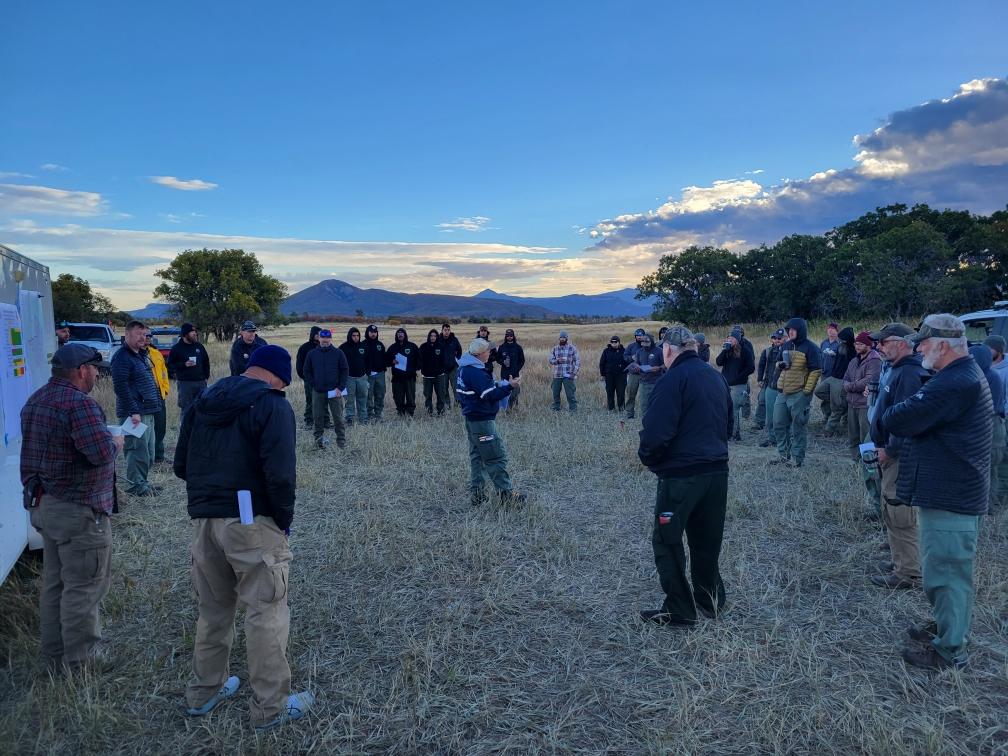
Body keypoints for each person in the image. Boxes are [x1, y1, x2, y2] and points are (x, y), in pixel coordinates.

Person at [174, 344, 314, 730]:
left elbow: (181, 465)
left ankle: (204, 692)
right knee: (266, 612)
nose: (284, 387)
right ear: (277, 376)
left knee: (213, 611)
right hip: (252, 524)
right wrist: (282, 522)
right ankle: (270, 709)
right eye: (285, 381)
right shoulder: (273, 405)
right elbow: (281, 475)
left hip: (204, 523)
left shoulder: (203, 401)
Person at [877, 314, 992, 671]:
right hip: (949, 491)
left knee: (947, 574)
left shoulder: (955, 382)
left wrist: (903, 409)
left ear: (943, 346)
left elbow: (898, 418)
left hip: (951, 495)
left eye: (924, 343)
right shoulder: (958, 376)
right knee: (943, 570)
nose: (919, 348)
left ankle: (949, 650)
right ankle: (946, 627)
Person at [21, 344, 122, 673]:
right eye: (94, 368)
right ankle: (80, 663)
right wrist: (115, 442)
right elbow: (100, 454)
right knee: (84, 586)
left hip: (44, 506)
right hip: (79, 510)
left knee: (55, 584)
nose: (96, 374)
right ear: (80, 370)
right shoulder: (79, 405)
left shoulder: (36, 399)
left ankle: (53, 658)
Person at [638, 325, 732, 626]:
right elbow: (728, 425)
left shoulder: (671, 380)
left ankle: (680, 608)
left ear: (667, 350)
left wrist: (651, 461)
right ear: (693, 347)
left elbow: (655, 433)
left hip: (680, 477)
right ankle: (711, 599)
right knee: (707, 540)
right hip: (717, 473)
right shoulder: (716, 377)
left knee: (667, 540)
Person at [867, 323, 929, 590]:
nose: (879, 347)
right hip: (889, 452)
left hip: (899, 456)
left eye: (884, 342)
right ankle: (899, 561)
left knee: (900, 511)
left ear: (904, 342)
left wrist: (890, 450)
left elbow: (907, 420)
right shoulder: (897, 370)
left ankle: (909, 573)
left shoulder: (911, 374)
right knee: (891, 508)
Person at [456, 338, 525, 506]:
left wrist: (500, 384)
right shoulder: (475, 372)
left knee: (477, 458)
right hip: (482, 422)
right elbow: (489, 395)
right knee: (496, 457)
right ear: (480, 354)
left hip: (472, 420)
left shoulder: (464, 368)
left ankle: (478, 495)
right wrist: (510, 387)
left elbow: (482, 389)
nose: (490, 354)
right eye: (488, 351)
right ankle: (506, 496)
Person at [111, 320, 163, 496]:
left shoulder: (140, 354)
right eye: (138, 334)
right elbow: (120, 387)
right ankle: (136, 487)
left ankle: (143, 483)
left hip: (147, 411)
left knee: (148, 451)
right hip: (134, 414)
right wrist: (133, 411)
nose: (143, 337)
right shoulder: (122, 357)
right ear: (127, 335)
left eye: (144, 334)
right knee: (136, 451)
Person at [770, 317, 822, 469]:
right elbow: (778, 363)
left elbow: (816, 370)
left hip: (799, 394)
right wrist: (781, 365)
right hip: (783, 392)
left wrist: (806, 391)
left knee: (798, 426)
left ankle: (797, 459)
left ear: (800, 330)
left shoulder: (810, 348)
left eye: (793, 329)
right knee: (778, 423)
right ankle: (783, 455)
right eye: (788, 330)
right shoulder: (786, 345)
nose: (790, 332)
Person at [969, 344, 1005, 514]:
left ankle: (990, 508)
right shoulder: (986, 375)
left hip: (991, 425)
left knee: (990, 470)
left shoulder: (988, 377)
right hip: (990, 424)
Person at [303, 329, 349, 449]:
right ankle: (319, 442)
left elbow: (345, 370)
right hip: (318, 391)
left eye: (327, 337)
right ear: (319, 339)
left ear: (330, 338)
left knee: (338, 418)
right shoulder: (312, 354)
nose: (325, 340)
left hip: (334, 391)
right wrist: (313, 383)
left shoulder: (338, 353)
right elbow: (306, 371)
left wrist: (340, 387)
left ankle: (341, 442)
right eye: (322, 338)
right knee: (317, 417)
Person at [842, 331, 882, 462]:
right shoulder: (854, 360)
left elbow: (870, 380)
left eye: (860, 344)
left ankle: (868, 463)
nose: (857, 346)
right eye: (856, 343)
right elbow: (845, 378)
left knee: (865, 436)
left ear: (869, 345)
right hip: (852, 403)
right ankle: (856, 460)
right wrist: (850, 386)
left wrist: (850, 386)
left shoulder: (875, 360)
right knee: (853, 435)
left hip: (865, 404)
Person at [715, 325, 755, 442]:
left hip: (738, 385)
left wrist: (738, 377)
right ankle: (733, 433)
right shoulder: (727, 351)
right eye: (728, 338)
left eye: (732, 339)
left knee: (735, 410)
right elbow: (718, 362)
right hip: (726, 384)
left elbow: (751, 367)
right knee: (727, 409)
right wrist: (724, 350)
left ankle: (733, 436)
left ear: (737, 340)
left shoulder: (745, 350)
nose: (729, 340)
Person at [983, 334, 1008, 508]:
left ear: (998, 351)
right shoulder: (985, 369)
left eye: (988, 348)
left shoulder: (1005, 371)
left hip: (1000, 421)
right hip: (988, 423)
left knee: (999, 467)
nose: (985, 351)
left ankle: (997, 506)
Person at [816, 326, 855, 435]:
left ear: (847, 340)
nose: (840, 341)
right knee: (818, 391)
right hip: (832, 377)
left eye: (842, 339)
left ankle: (829, 430)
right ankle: (843, 404)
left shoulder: (853, 350)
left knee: (836, 407)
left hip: (842, 380)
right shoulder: (840, 347)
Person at [168, 323, 211, 415]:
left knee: (202, 408)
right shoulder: (176, 348)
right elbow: (169, 365)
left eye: (195, 331)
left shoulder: (199, 346)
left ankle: (200, 429)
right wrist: (184, 365)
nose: (195, 333)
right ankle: (185, 429)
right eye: (192, 332)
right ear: (185, 334)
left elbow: (206, 362)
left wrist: (206, 377)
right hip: (185, 384)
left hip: (201, 383)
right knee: (187, 410)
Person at [145, 329, 170, 463]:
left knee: (160, 426)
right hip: (145, 397)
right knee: (147, 427)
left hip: (159, 394)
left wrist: (165, 388)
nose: (148, 338)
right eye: (145, 335)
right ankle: (148, 457)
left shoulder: (156, 353)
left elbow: (164, 372)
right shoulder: (136, 354)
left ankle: (159, 456)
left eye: (150, 336)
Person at [758, 329, 787, 448]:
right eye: (774, 338)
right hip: (770, 386)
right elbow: (761, 365)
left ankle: (783, 441)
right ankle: (772, 439)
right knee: (769, 417)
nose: (777, 340)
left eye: (779, 338)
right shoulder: (768, 351)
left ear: (785, 338)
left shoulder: (789, 351)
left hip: (783, 388)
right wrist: (760, 379)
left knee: (781, 417)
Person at [386, 327, 419, 416]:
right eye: (398, 333)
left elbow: (419, 359)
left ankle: (410, 413)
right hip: (397, 378)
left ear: (405, 335)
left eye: (402, 333)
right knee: (398, 396)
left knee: (410, 396)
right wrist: (391, 361)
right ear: (396, 335)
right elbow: (386, 361)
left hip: (409, 377)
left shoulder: (412, 346)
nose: (400, 335)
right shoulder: (392, 348)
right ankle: (401, 412)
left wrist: (413, 369)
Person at [339, 327, 369, 425]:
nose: (356, 337)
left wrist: (366, 374)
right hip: (349, 378)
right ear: (349, 336)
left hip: (362, 377)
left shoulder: (363, 346)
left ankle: (363, 418)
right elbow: (339, 363)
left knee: (363, 398)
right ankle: (350, 418)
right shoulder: (343, 348)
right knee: (349, 399)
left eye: (357, 336)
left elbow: (368, 361)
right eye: (353, 336)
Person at [628, 333, 664, 416]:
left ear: (652, 342)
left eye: (647, 343)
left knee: (657, 405)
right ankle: (646, 424)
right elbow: (636, 363)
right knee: (644, 406)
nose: (644, 345)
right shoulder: (639, 352)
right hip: (644, 383)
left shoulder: (659, 351)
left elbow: (665, 364)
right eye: (643, 343)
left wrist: (659, 367)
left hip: (657, 382)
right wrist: (636, 367)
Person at [294, 326, 321, 428]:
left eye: (320, 334)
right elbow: (299, 364)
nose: (319, 337)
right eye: (317, 334)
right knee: (310, 400)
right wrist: (304, 377)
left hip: (323, 379)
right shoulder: (304, 347)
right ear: (313, 335)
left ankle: (324, 420)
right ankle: (309, 420)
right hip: (309, 379)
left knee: (323, 400)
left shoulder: (324, 346)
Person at [419, 328, 448, 415]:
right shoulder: (423, 346)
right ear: (428, 336)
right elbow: (419, 360)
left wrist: (441, 370)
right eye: (431, 336)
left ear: (437, 337)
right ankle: (429, 412)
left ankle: (441, 412)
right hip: (427, 376)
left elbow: (444, 360)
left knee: (441, 395)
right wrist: (422, 370)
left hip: (439, 376)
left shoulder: (440, 346)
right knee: (428, 396)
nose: (433, 337)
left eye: (435, 336)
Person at [549, 330, 580, 412]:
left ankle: (573, 409)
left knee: (570, 394)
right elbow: (550, 360)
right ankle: (556, 408)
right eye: (561, 337)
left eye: (564, 337)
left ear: (567, 338)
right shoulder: (555, 349)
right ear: (559, 338)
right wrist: (557, 361)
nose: (562, 339)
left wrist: (574, 373)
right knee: (555, 393)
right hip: (557, 375)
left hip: (568, 374)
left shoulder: (572, 348)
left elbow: (577, 361)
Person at [817, 323, 841, 425]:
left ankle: (834, 417)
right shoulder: (824, 343)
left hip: (835, 375)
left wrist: (834, 355)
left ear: (837, 331)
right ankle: (826, 415)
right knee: (824, 395)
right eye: (829, 329)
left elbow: (842, 359)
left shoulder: (839, 344)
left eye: (833, 329)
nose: (830, 331)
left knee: (835, 396)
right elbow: (820, 356)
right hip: (824, 373)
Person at [496, 328, 525, 411]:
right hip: (504, 373)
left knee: (515, 392)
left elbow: (522, 360)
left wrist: (517, 369)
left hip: (515, 374)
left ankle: (515, 407)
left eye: (511, 335)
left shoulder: (518, 347)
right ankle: (506, 408)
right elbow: (498, 359)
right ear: (505, 336)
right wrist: (502, 362)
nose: (509, 337)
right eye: (507, 335)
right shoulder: (502, 347)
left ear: (513, 336)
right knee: (505, 391)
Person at [363, 324, 387, 422]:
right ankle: (369, 414)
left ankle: (378, 414)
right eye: (371, 332)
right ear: (367, 332)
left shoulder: (380, 345)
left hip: (380, 374)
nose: (373, 334)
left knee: (380, 394)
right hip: (368, 375)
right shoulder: (363, 345)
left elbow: (384, 358)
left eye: (375, 332)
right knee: (368, 395)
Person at [599, 335, 626, 412]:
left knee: (621, 392)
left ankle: (621, 408)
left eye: (615, 342)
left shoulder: (624, 350)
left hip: (621, 375)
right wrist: (602, 374)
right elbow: (602, 363)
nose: (614, 343)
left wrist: (626, 372)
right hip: (609, 375)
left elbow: (627, 362)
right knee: (610, 392)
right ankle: (611, 408)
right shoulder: (606, 351)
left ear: (619, 342)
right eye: (612, 342)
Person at [624, 328, 646, 419]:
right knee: (631, 394)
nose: (639, 337)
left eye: (641, 335)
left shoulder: (647, 345)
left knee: (644, 395)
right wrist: (631, 358)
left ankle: (645, 414)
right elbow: (625, 357)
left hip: (645, 374)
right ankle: (629, 414)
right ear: (635, 336)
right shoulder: (631, 346)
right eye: (637, 335)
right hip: (633, 375)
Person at [440, 323, 463, 409]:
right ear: (442, 331)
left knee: (456, 387)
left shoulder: (454, 340)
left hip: (453, 368)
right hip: (442, 369)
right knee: (444, 388)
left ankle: (457, 404)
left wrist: (456, 359)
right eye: (445, 330)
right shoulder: (438, 340)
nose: (447, 332)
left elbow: (459, 350)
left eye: (448, 330)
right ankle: (447, 405)